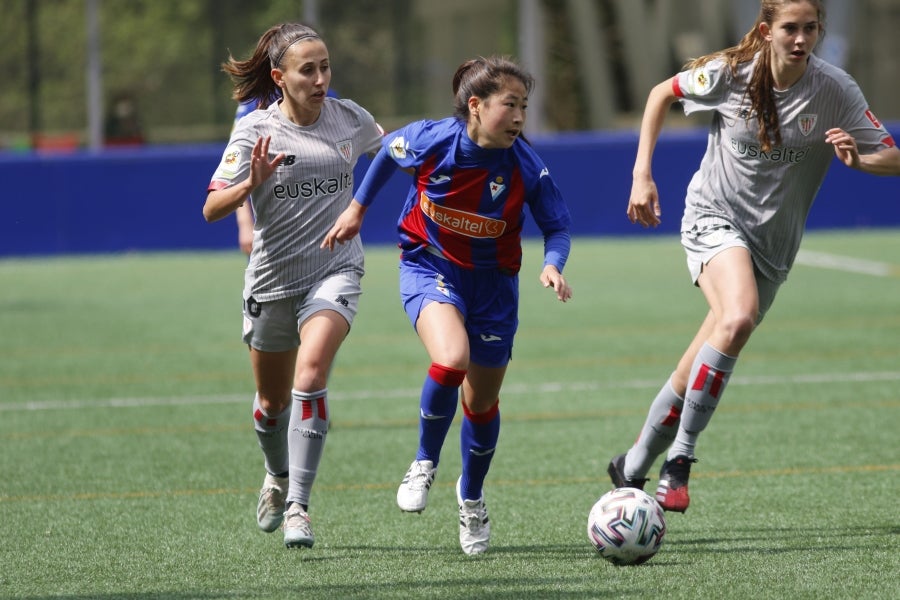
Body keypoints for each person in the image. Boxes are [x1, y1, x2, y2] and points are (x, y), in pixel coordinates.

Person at [606, 0, 900, 513]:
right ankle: (679, 460)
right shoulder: (730, 73)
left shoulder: (835, 88)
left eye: (811, 28)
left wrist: (859, 161)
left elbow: (892, 156)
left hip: (774, 246)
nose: (801, 39)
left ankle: (631, 466)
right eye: (790, 28)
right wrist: (641, 175)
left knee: (698, 362)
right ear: (766, 30)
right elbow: (660, 94)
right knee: (738, 316)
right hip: (713, 216)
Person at [322, 55, 574, 555]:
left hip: (494, 288)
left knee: (481, 404)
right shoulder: (433, 139)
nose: (520, 117)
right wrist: (357, 209)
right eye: (510, 105)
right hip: (429, 264)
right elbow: (388, 153)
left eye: (524, 106)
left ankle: (471, 496)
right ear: (475, 105)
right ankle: (424, 461)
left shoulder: (526, 166)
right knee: (451, 358)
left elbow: (558, 226)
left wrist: (553, 265)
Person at [203, 22, 384, 548]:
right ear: (280, 77)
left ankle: (299, 507)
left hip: (335, 269)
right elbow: (211, 208)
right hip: (272, 281)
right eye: (308, 70)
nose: (321, 78)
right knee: (271, 404)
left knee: (312, 373)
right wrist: (250, 183)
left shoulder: (350, 118)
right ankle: (276, 476)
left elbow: (395, 153)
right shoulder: (254, 131)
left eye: (325, 67)